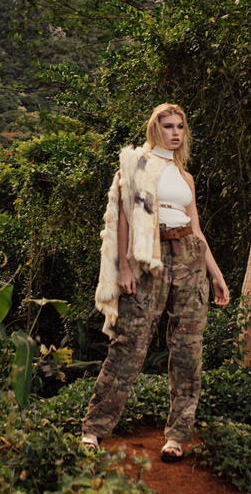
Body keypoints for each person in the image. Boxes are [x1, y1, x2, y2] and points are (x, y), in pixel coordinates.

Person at [81, 103, 230, 461]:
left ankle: (176, 437)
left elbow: (196, 228)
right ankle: (93, 429)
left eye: (180, 126)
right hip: (150, 257)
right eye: (168, 126)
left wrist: (216, 274)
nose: (175, 132)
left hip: (190, 256)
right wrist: (125, 269)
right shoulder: (136, 165)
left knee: (188, 349)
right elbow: (124, 219)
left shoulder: (186, 177)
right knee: (129, 343)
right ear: (155, 129)